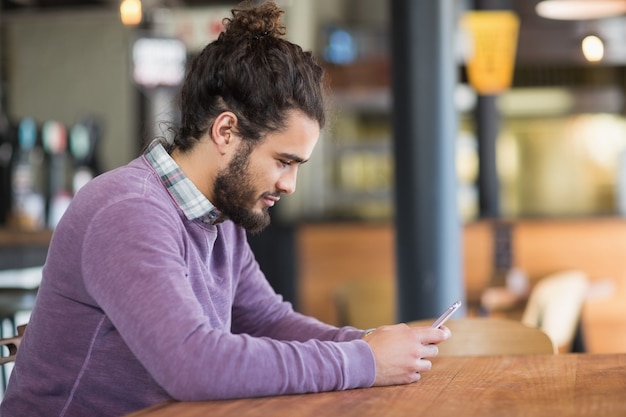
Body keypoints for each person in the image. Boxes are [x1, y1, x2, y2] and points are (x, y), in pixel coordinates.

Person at [0, 2, 450, 416]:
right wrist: (363, 361)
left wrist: (372, 342)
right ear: (226, 131)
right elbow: (193, 363)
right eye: (283, 161)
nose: (289, 185)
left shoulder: (219, 216)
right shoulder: (128, 210)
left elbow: (269, 321)